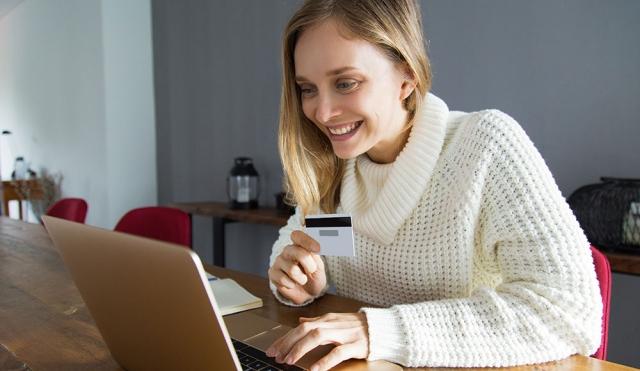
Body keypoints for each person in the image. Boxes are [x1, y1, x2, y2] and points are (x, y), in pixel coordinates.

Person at [265, 1, 602, 370]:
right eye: (307, 89)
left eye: (346, 83)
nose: (323, 112)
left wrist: (378, 330)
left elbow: (567, 312)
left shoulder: (484, 146)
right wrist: (297, 281)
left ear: (407, 78)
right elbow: (293, 246)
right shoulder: (332, 164)